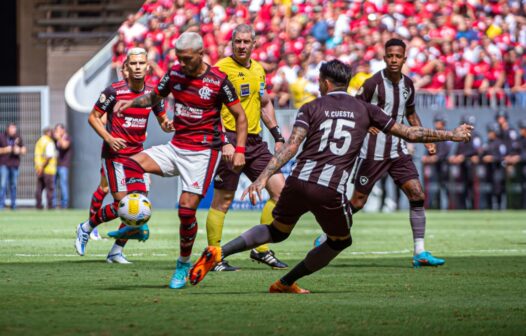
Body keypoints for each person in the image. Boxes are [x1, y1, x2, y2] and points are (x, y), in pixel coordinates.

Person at [187, 60, 473, 293]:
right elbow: (411, 132)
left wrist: (263, 176)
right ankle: (285, 283)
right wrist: (452, 135)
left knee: (277, 230)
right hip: (329, 188)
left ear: (324, 82)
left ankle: (219, 252)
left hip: (298, 182)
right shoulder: (365, 108)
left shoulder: (311, 107)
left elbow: (291, 146)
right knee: (339, 241)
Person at [105, 32, 248, 289]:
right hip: (176, 146)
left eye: (187, 59)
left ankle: (182, 264)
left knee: (185, 211)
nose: (182, 63)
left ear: (200, 54)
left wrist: (238, 149)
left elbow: (240, 116)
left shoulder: (218, 81)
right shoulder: (174, 74)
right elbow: (154, 97)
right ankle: (137, 224)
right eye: (179, 58)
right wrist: (130, 103)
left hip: (203, 153)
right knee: (130, 163)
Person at [348, 38, 444, 267]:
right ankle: (326, 236)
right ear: (384, 58)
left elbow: (411, 114)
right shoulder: (372, 83)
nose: (393, 60)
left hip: (398, 150)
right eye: (389, 55)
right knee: (358, 202)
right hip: (373, 151)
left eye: (397, 56)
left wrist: (425, 140)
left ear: (404, 59)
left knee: (417, 194)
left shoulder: (408, 85)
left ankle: (420, 252)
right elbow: (354, 108)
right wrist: (365, 123)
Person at [74, 47, 170, 263]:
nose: (137, 67)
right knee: (124, 206)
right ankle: (86, 227)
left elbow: (163, 120)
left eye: (141, 63)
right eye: (133, 64)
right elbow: (93, 117)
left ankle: (116, 251)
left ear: (147, 66)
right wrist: (109, 138)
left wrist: (168, 124)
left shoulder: (153, 94)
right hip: (114, 156)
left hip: (137, 157)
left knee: (139, 208)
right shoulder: (113, 91)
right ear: (126, 67)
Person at [207, 24, 287, 272]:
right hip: (230, 140)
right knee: (223, 200)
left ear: (254, 44)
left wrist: (277, 135)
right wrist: (224, 142)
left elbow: (265, 102)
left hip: (255, 142)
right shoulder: (220, 69)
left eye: (246, 42)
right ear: (232, 43)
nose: (241, 46)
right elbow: (210, 108)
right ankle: (214, 256)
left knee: (281, 192)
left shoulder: (259, 70)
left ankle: (261, 249)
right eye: (237, 42)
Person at [421, 114, 451, 209]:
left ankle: (451, 206)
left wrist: (436, 157)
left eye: (440, 122)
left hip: (444, 165)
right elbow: (428, 148)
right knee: (433, 187)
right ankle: (435, 206)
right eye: (437, 122)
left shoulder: (447, 134)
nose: (438, 124)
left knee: (446, 187)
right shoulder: (433, 135)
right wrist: (426, 157)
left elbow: (446, 151)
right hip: (433, 167)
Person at [0, 123, 26, 210]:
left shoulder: (18, 137)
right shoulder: (1, 136)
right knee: (2, 185)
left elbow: (24, 150)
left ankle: (13, 205)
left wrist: (19, 150)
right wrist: (5, 149)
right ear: (7, 129)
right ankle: (1, 205)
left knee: (13, 185)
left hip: (14, 165)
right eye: (11, 128)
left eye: (14, 128)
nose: (13, 130)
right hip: (4, 164)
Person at [35, 127, 57, 209]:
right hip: (48, 170)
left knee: (39, 188)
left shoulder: (39, 141)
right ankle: (50, 206)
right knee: (50, 189)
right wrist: (42, 167)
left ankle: (38, 206)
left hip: (39, 169)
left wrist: (39, 168)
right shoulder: (49, 142)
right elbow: (49, 157)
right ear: (48, 133)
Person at [53, 123, 72, 209]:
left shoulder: (67, 138)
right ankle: (52, 204)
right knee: (53, 185)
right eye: (56, 130)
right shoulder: (55, 140)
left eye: (59, 130)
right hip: (55, 165)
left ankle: (64, 205)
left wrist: (59, 138)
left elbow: (64, 146)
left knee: (63, 185)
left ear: (63, 130)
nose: (57, 132)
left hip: (63, 165)